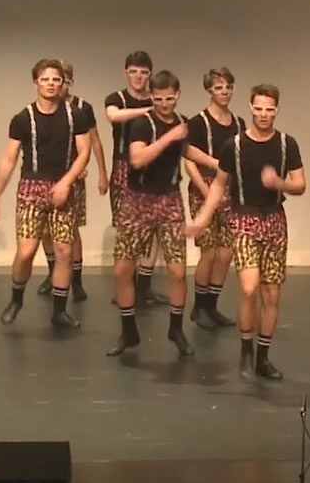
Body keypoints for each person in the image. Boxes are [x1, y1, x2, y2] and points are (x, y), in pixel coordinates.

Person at [188, 84, 306, 380]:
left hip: (275, 221)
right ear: (250, 108)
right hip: (243, 220)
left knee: (272, 294)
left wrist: (279, 183)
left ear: (277, 110)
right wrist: (202, 218)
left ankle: (262, 357)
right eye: (259, 108)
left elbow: (300, 184)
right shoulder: (235, 146)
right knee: (249, 287)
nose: (264, 114)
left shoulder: (286, 144)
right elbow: (218, 185)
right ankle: (245, 349)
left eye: (270, 109)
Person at [107, 71, 219, 357]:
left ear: (178, 94)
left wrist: (219, 164)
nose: (164, 104)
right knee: (122, 269)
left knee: (178, 271)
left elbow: (188, 151)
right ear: (152, 97)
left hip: (169, 200)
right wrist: (170, 136)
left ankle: (176, 328)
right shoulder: (142, 124)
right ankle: (128, 330)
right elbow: (137, 158)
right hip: (138, 200)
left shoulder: (182, 124)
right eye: (158, 99)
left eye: (169, 98)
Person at [0, 59, 93, 327]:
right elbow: (9, 159)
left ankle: (59, 310)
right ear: (36, 82)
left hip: (63, 186)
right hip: (32, 187)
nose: (51, 84)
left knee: (63, 251)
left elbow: (85, 152)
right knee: (26, 251)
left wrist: (66, 182)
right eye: (45, 79)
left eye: (56, 80)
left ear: (63, 83)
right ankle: (16, 297)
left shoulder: (75, 116)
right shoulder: (23, 118)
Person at [36, 61, 105, 302]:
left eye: (63, 79)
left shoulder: (82, 108)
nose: (58, 84)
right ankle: (53, 271)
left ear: (70, 81)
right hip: (45, 178)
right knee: (45, 230)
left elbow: (94, 142)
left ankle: (76, 279)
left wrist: (101, 173)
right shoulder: (42, 108)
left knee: (70, 230)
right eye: (53, 78)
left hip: (74, 177)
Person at [184, 67, 240, 326]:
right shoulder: (198, 122)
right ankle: (199, 307)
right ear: (209, 91)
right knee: (208, 251)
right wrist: (207, 193)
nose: (224, 92)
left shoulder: (239, 123)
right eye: (219, 87)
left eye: (228, 87)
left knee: (226, 252)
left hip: (231, 190)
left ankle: (212, 305)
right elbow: (189, 161)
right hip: (204, 187)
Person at [103, 51, 156, 302]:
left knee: (152, 229)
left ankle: (144, 287)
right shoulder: (118, 98)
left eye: (143, 72)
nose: (138, 76)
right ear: (126, 71)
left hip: (152, 168)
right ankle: (124, 287)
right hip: (124, 167)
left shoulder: (157, 98)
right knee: (126, 230)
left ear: (149, 74)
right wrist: (149, 110)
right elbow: (113, 115)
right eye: (134, 70)